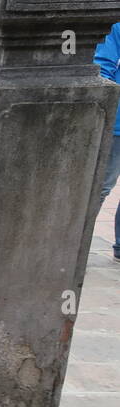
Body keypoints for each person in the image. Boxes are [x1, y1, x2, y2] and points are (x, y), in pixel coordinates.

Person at [93, 20, 120, 261]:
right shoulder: (117, 26)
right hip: (117, 123)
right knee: (101, 186)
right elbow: (103, 68)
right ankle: (72, 246)